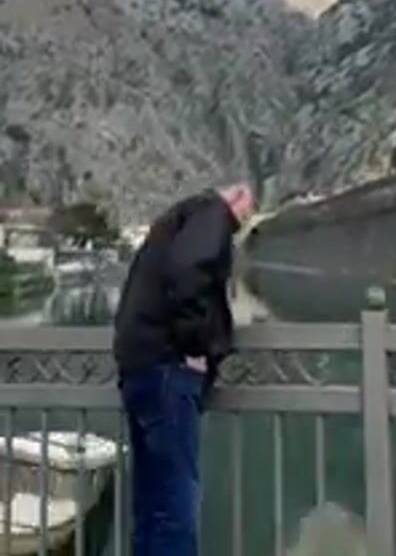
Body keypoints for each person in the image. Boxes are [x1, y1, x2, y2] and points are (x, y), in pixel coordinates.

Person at [113, 184, 254, 556]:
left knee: (151, 502)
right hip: (168, 368)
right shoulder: (212, 214)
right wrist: (196, 346)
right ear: (237, 198)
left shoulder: (176, 222)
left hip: (139, 365)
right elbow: (190, 273)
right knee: (176, 500)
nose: (244, 222)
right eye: (246, 211)